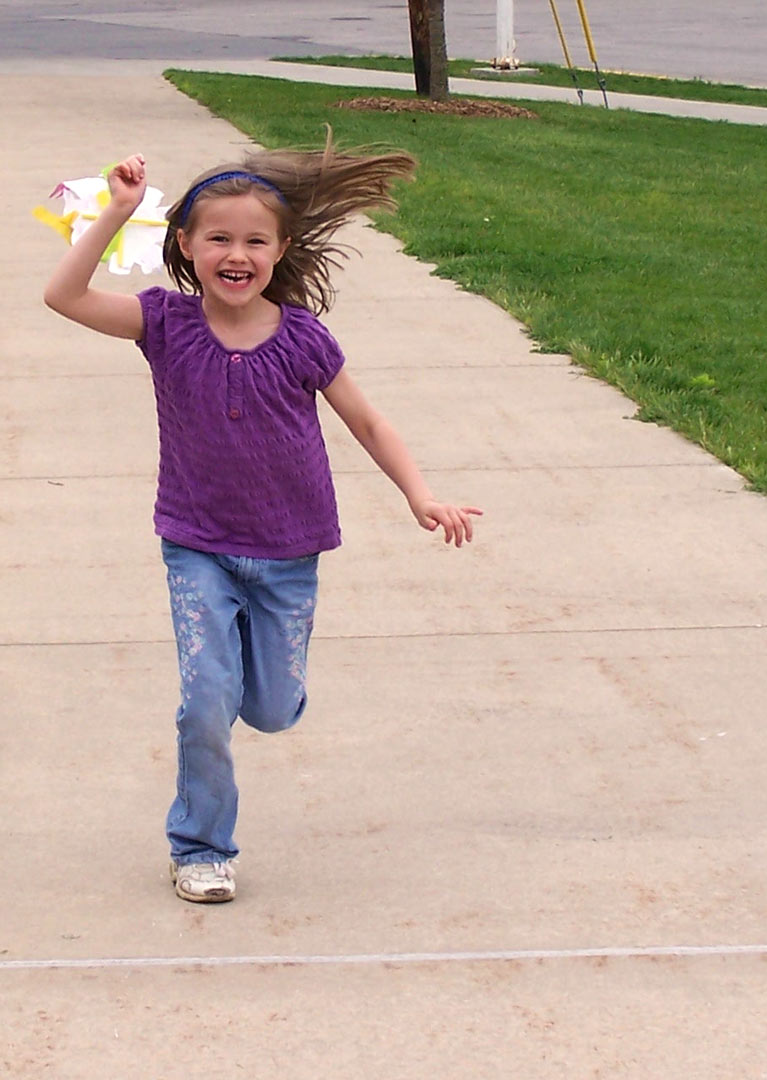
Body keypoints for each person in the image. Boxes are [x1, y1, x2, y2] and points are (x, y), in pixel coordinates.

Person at [42, 142, 482, 904]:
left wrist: (420, 495)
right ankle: (201, 847)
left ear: (281, 250)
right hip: (198, 547)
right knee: (206, 698)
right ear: (185, 245)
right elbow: (64, 296)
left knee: (272, 711)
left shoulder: (304, 338)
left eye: (253, 241)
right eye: (218, 238)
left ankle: (259, 678)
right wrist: (116, 211)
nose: (235, 254)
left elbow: (369, 424)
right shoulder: (164, 324)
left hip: (287, 552)